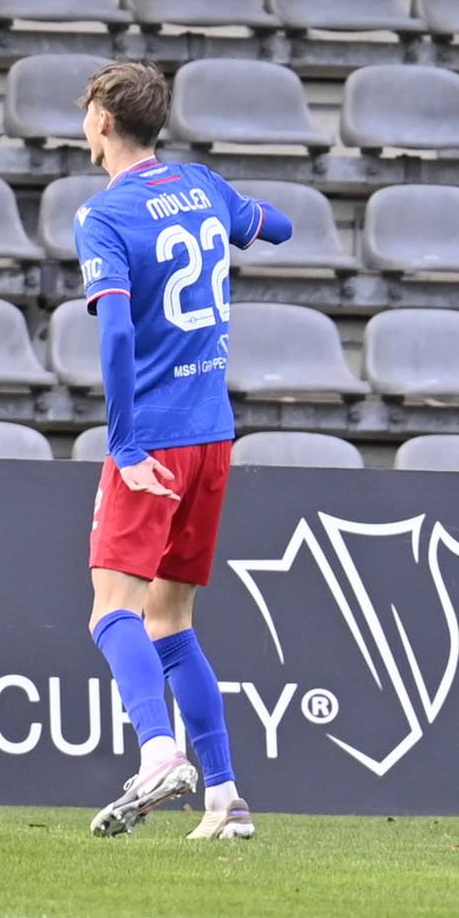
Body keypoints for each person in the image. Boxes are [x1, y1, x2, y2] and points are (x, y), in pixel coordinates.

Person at [74, 61, 293, 842]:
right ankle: (226, 795)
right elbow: (277, 227)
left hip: (157, 438)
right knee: (171, 620)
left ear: (103, 119)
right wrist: (254, 219)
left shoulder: (103, 216)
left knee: (113, 610)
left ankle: (159, 749)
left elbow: (117, 329)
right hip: (213, 434)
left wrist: (124, 440)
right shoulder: (201, 186)